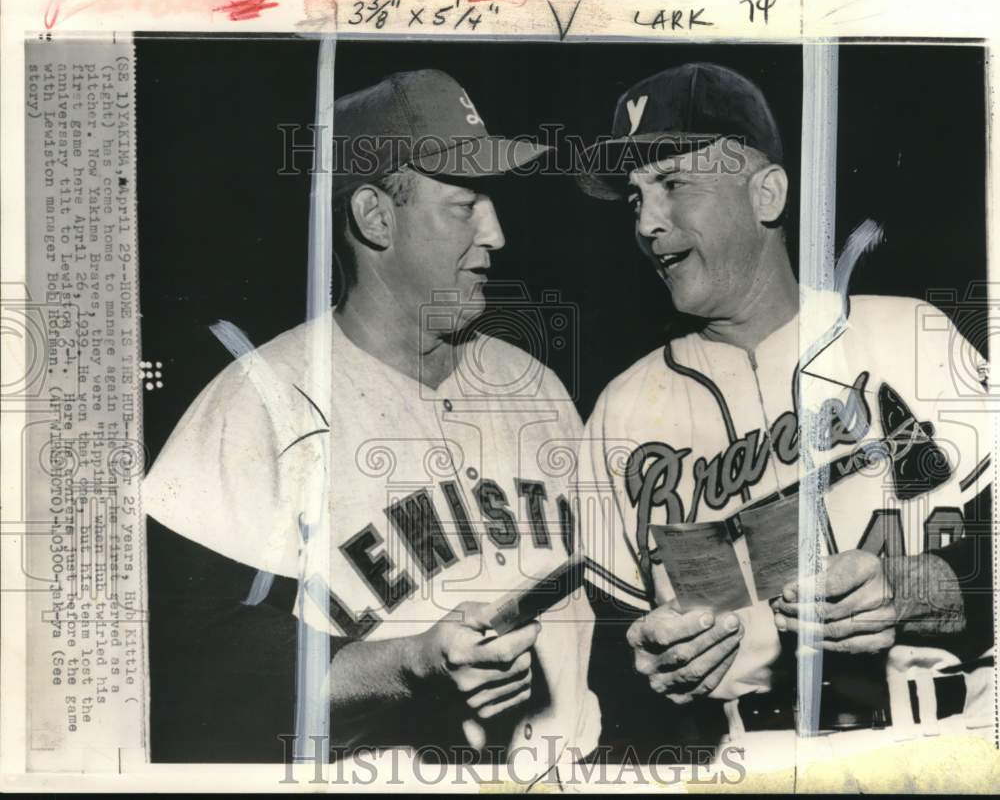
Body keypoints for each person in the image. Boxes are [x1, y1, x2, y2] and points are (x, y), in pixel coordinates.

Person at [142, 69, 600, 780]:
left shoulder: (536, 385)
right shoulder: (259, 401)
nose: (498, 234)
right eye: (466, 205)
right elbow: (191, 673)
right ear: (374, 217)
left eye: (495, 203)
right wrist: (407, 663)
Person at [573, 62, 994, 764]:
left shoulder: (908, 334)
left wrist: (915, 588)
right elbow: (613, 686)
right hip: (745, 764)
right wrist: (650, 668)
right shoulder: (620, 411)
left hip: (953, 744)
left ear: (766, 193)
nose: (647, 222)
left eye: (674, 183)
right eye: (634, 198)